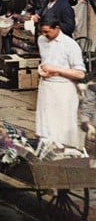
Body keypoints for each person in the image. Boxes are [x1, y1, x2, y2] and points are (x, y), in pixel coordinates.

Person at [36, 18, 86, 147]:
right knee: (45, 123)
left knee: (62, 126)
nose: (45, 35)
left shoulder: (70, 44)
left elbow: (80, 73)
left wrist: (56, 69)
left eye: (47, 32)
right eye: (42, 32)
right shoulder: (41, 40)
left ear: (57, 28)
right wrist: (42, 70)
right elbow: (44, 60)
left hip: (63, 89)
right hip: (46, 87)